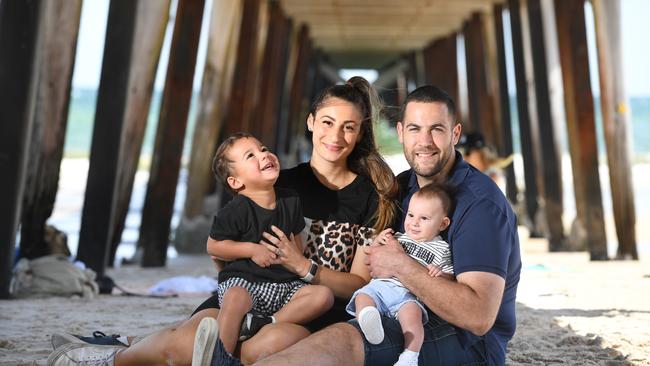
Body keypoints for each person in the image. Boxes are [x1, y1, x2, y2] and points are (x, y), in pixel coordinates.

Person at [48, 76, 398, 366]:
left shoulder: (370, 198)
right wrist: (239, 288)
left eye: (348, 128)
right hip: (249, 295)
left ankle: (143, 344)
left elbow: (356, 285)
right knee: (184, 344)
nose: (335, 137)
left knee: (260, 350)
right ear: (310, 122)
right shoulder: (276, 182)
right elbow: (225, 242)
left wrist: (303, 266)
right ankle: (111, 356)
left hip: (309, 311)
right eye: (327, 123)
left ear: (360, 132)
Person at [250, 85, 521, 366]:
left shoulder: (480, 205)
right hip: (393, 310)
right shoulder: (403, 187)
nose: (424, 141)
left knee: (339, 340)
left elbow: (477, 318)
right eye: (415, 129)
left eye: (437, 130)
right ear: (401, 132)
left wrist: (400, 265)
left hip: (464, 341)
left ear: (455, 134)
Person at [202, 132, 335, 359]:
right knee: (235, 297)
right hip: (245, 284)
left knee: (323, 296)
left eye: (263, 149)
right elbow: (214, 246)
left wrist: (295, 257)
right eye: (250, 155)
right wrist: (251, 249)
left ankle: (264, 323)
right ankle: (220, 358)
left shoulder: (290, 200)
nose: (263, 155)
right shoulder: (237, 209)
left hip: (282, 286)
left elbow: (296, 241)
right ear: (236, 182)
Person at [346, 183, 455, 366]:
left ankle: (410, 356)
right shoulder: (397, 237)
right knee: (363, 296)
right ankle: (368, 319)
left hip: (408, 294)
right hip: (381, 286)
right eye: (411, 215)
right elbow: (373, 257)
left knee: (413, 322)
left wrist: (441, 274)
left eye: (424, 218)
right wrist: (378, 242)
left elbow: (451, 277)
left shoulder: (442, 248)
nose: (414, 223)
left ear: (443, 223)